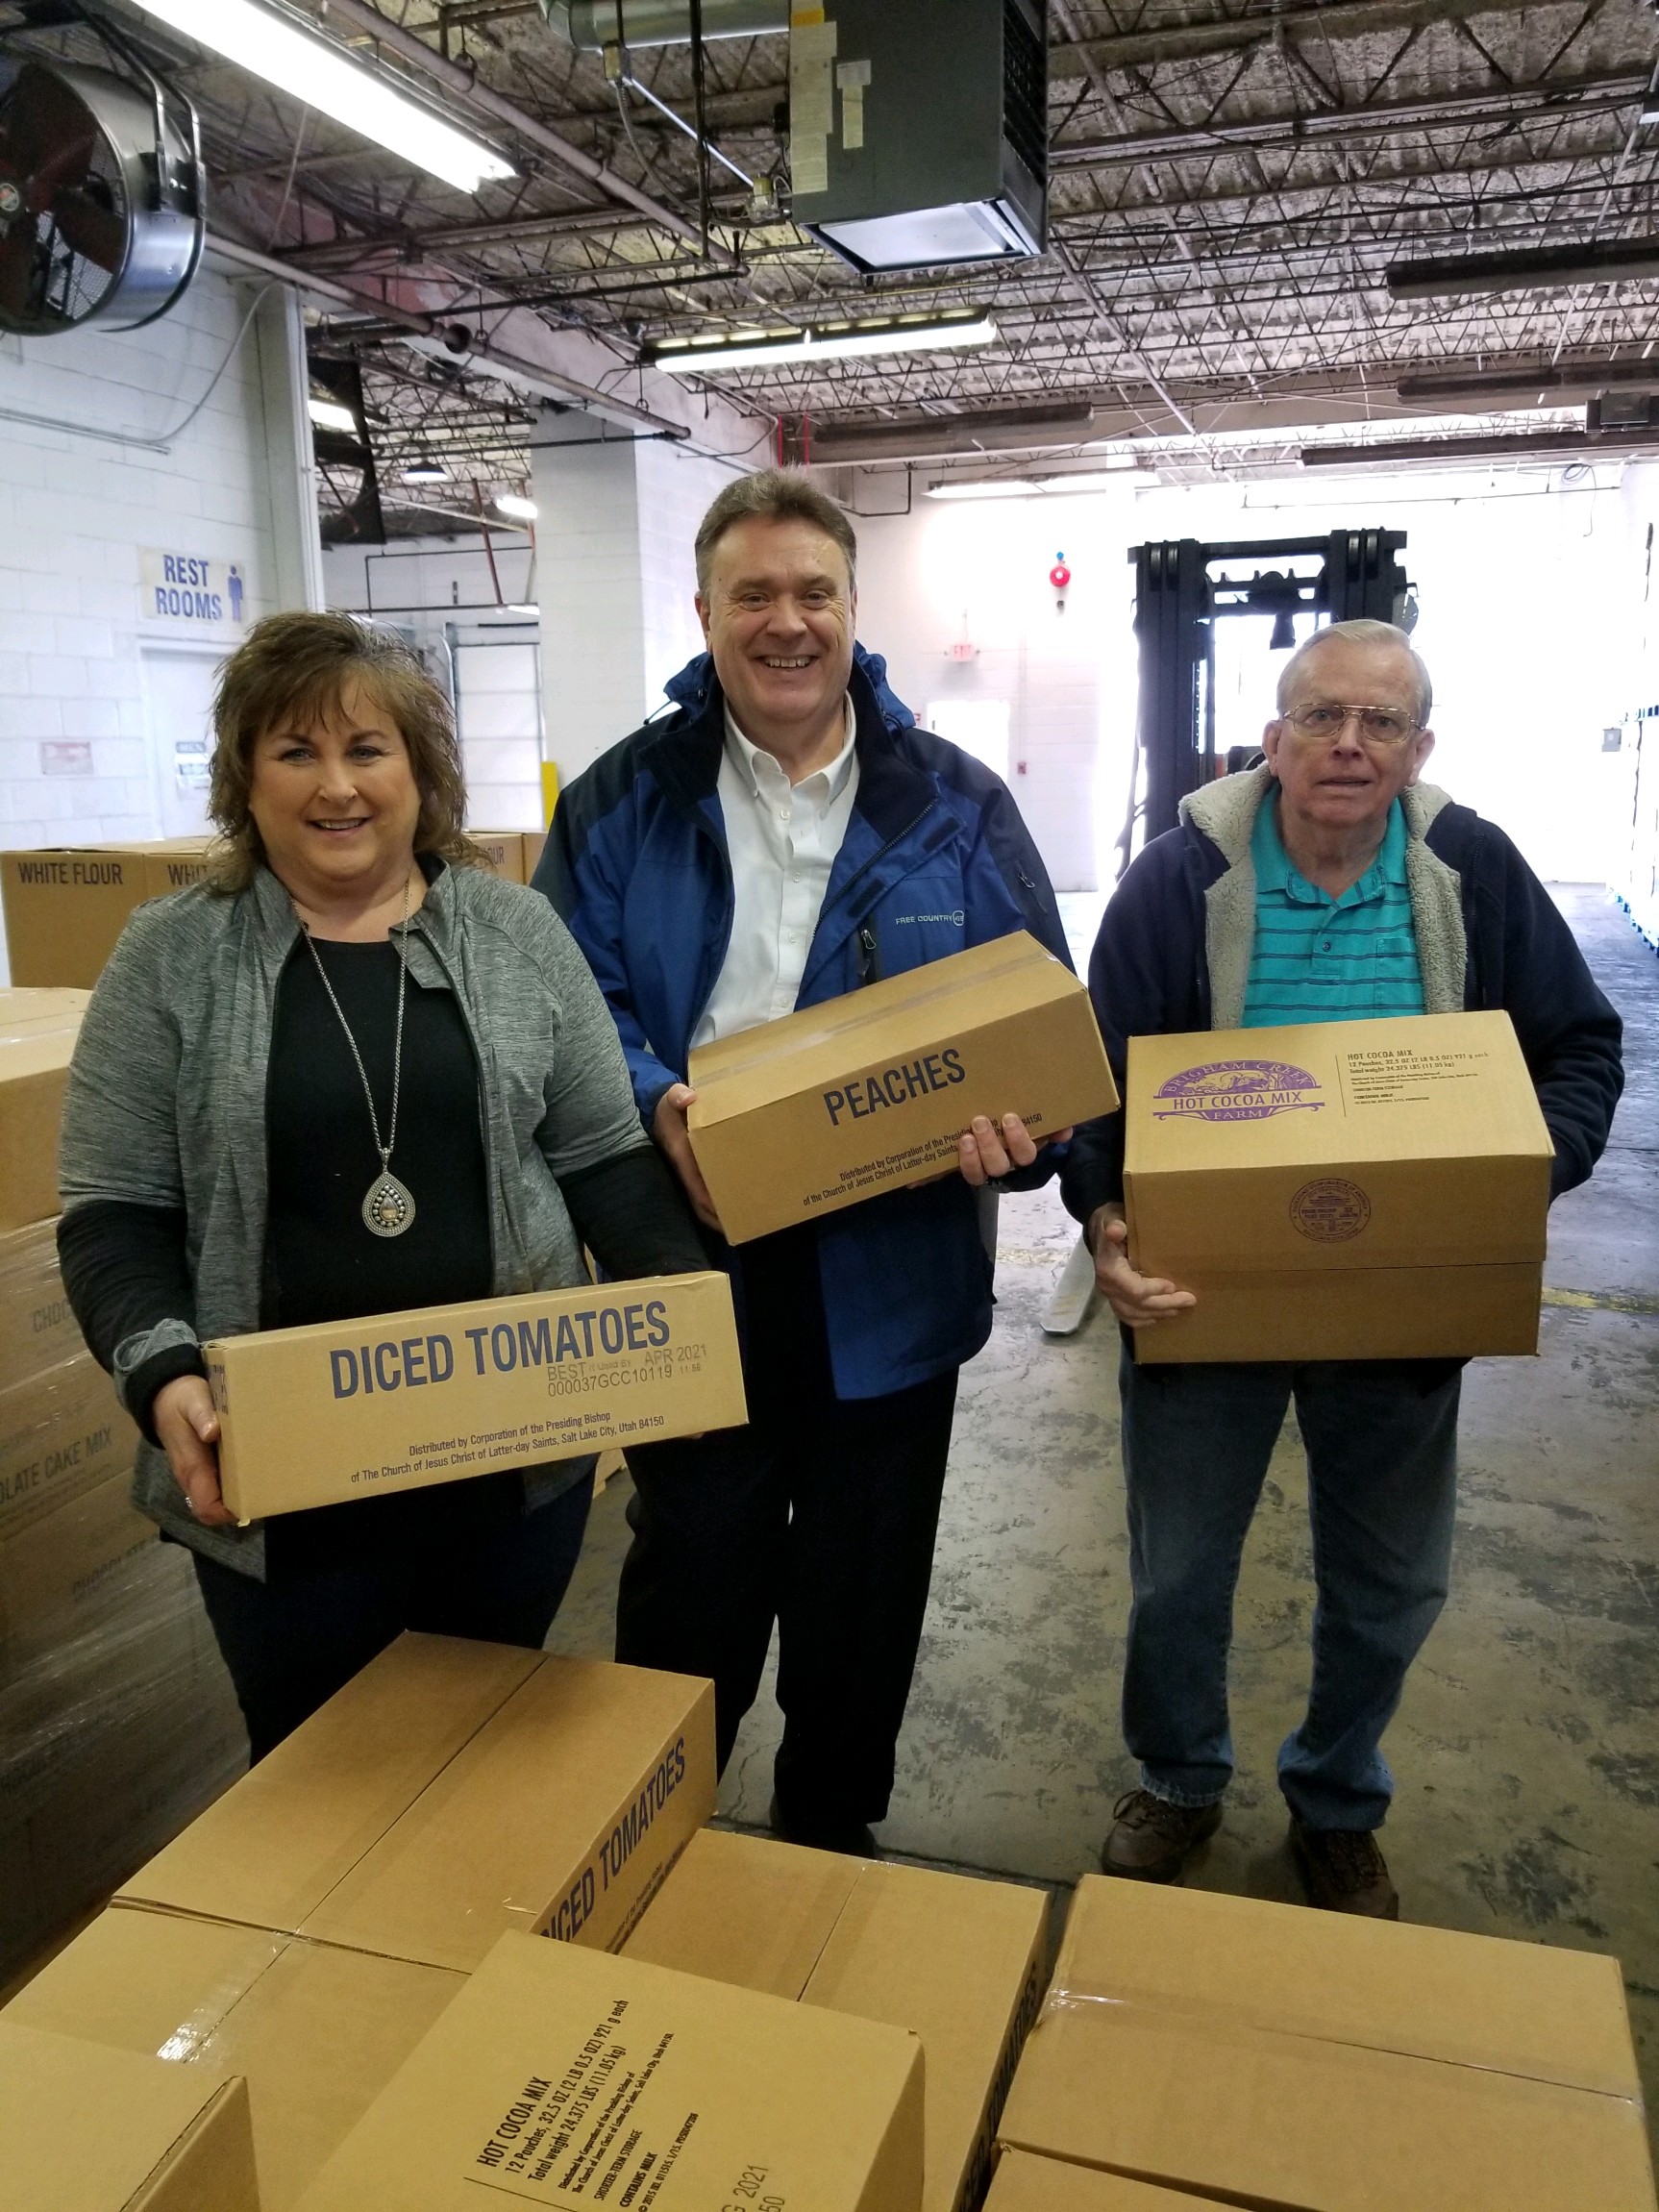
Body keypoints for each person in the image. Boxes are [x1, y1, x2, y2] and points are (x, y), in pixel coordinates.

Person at [57, 612, 708, 1762]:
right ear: (243, 780)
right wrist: (161, 1375)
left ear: (421, 773)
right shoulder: (168, 957)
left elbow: (604, 1157)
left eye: (368, 750)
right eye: (294, 752)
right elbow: (114, 1209)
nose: (337, 787)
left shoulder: (517, 934)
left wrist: (674, 1313)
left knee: (494, 1758)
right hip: (275, 1482)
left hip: (508, 1468)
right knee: (314, 1775)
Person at [535, 467, 1072, 1853]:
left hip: (888, 1280)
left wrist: (1019, 1145)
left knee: (863, 1599)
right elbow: (565, 1001)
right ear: (705, 610)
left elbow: (1038, 1024)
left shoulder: (951, 804)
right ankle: (653, 1848)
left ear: (853, 607)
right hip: (690, 1252)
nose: (786, 622)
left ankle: (832, 1857)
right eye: (754, 595)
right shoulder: (620, 802)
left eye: (812, 592)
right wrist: (656, 1100)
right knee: (687, 1587)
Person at [1063, 618, 1623, 1917]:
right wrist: (1104, 1224)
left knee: (1388, 1586)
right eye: (1320, 716)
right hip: (1209, 1299)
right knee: (1176, 1578)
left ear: (1418, 747)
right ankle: (1183, 1779)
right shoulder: (1177, 879)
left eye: (1379, 723)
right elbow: (1091, 1089)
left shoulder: (1468, 872)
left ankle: (1333, 1795)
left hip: (1399, 1308)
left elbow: (1580, 1051)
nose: (1347, 745)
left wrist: (1500, 1183)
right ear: (1273, 737)